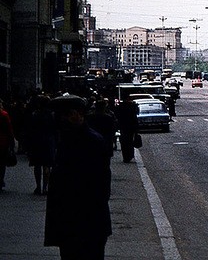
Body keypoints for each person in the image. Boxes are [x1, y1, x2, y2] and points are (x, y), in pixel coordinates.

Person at [44, 94, 112, 260]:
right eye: (61, 115)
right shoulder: (67, 140)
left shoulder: (91, 142)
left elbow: (101, 185)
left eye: (67, 114)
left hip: (86, 220)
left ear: (79, 114)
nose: (63, 119)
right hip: (70, 221)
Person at [26, 95, 57, 195]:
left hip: (37, 140)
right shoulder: (52, 115)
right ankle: (45, 187)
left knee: (37, 164)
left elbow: (30, 129)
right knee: (47, 165)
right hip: (48, 141)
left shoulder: (35, 114)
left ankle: (38, 186)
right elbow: (55, 130)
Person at [115, 96, 138, 163]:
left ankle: (126, 156)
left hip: (124, 126)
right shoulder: (132, 106)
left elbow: (117, 116)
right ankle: (129, 155)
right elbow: (134, 117)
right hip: (129, 126)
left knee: (125, 142)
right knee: (129, 141)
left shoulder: (121, 106)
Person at [0, 99, 15, 192]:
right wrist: (11, 141)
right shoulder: (4, 114)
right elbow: (9, 129)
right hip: (2, 142)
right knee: (1, 163)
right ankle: (0, 180)